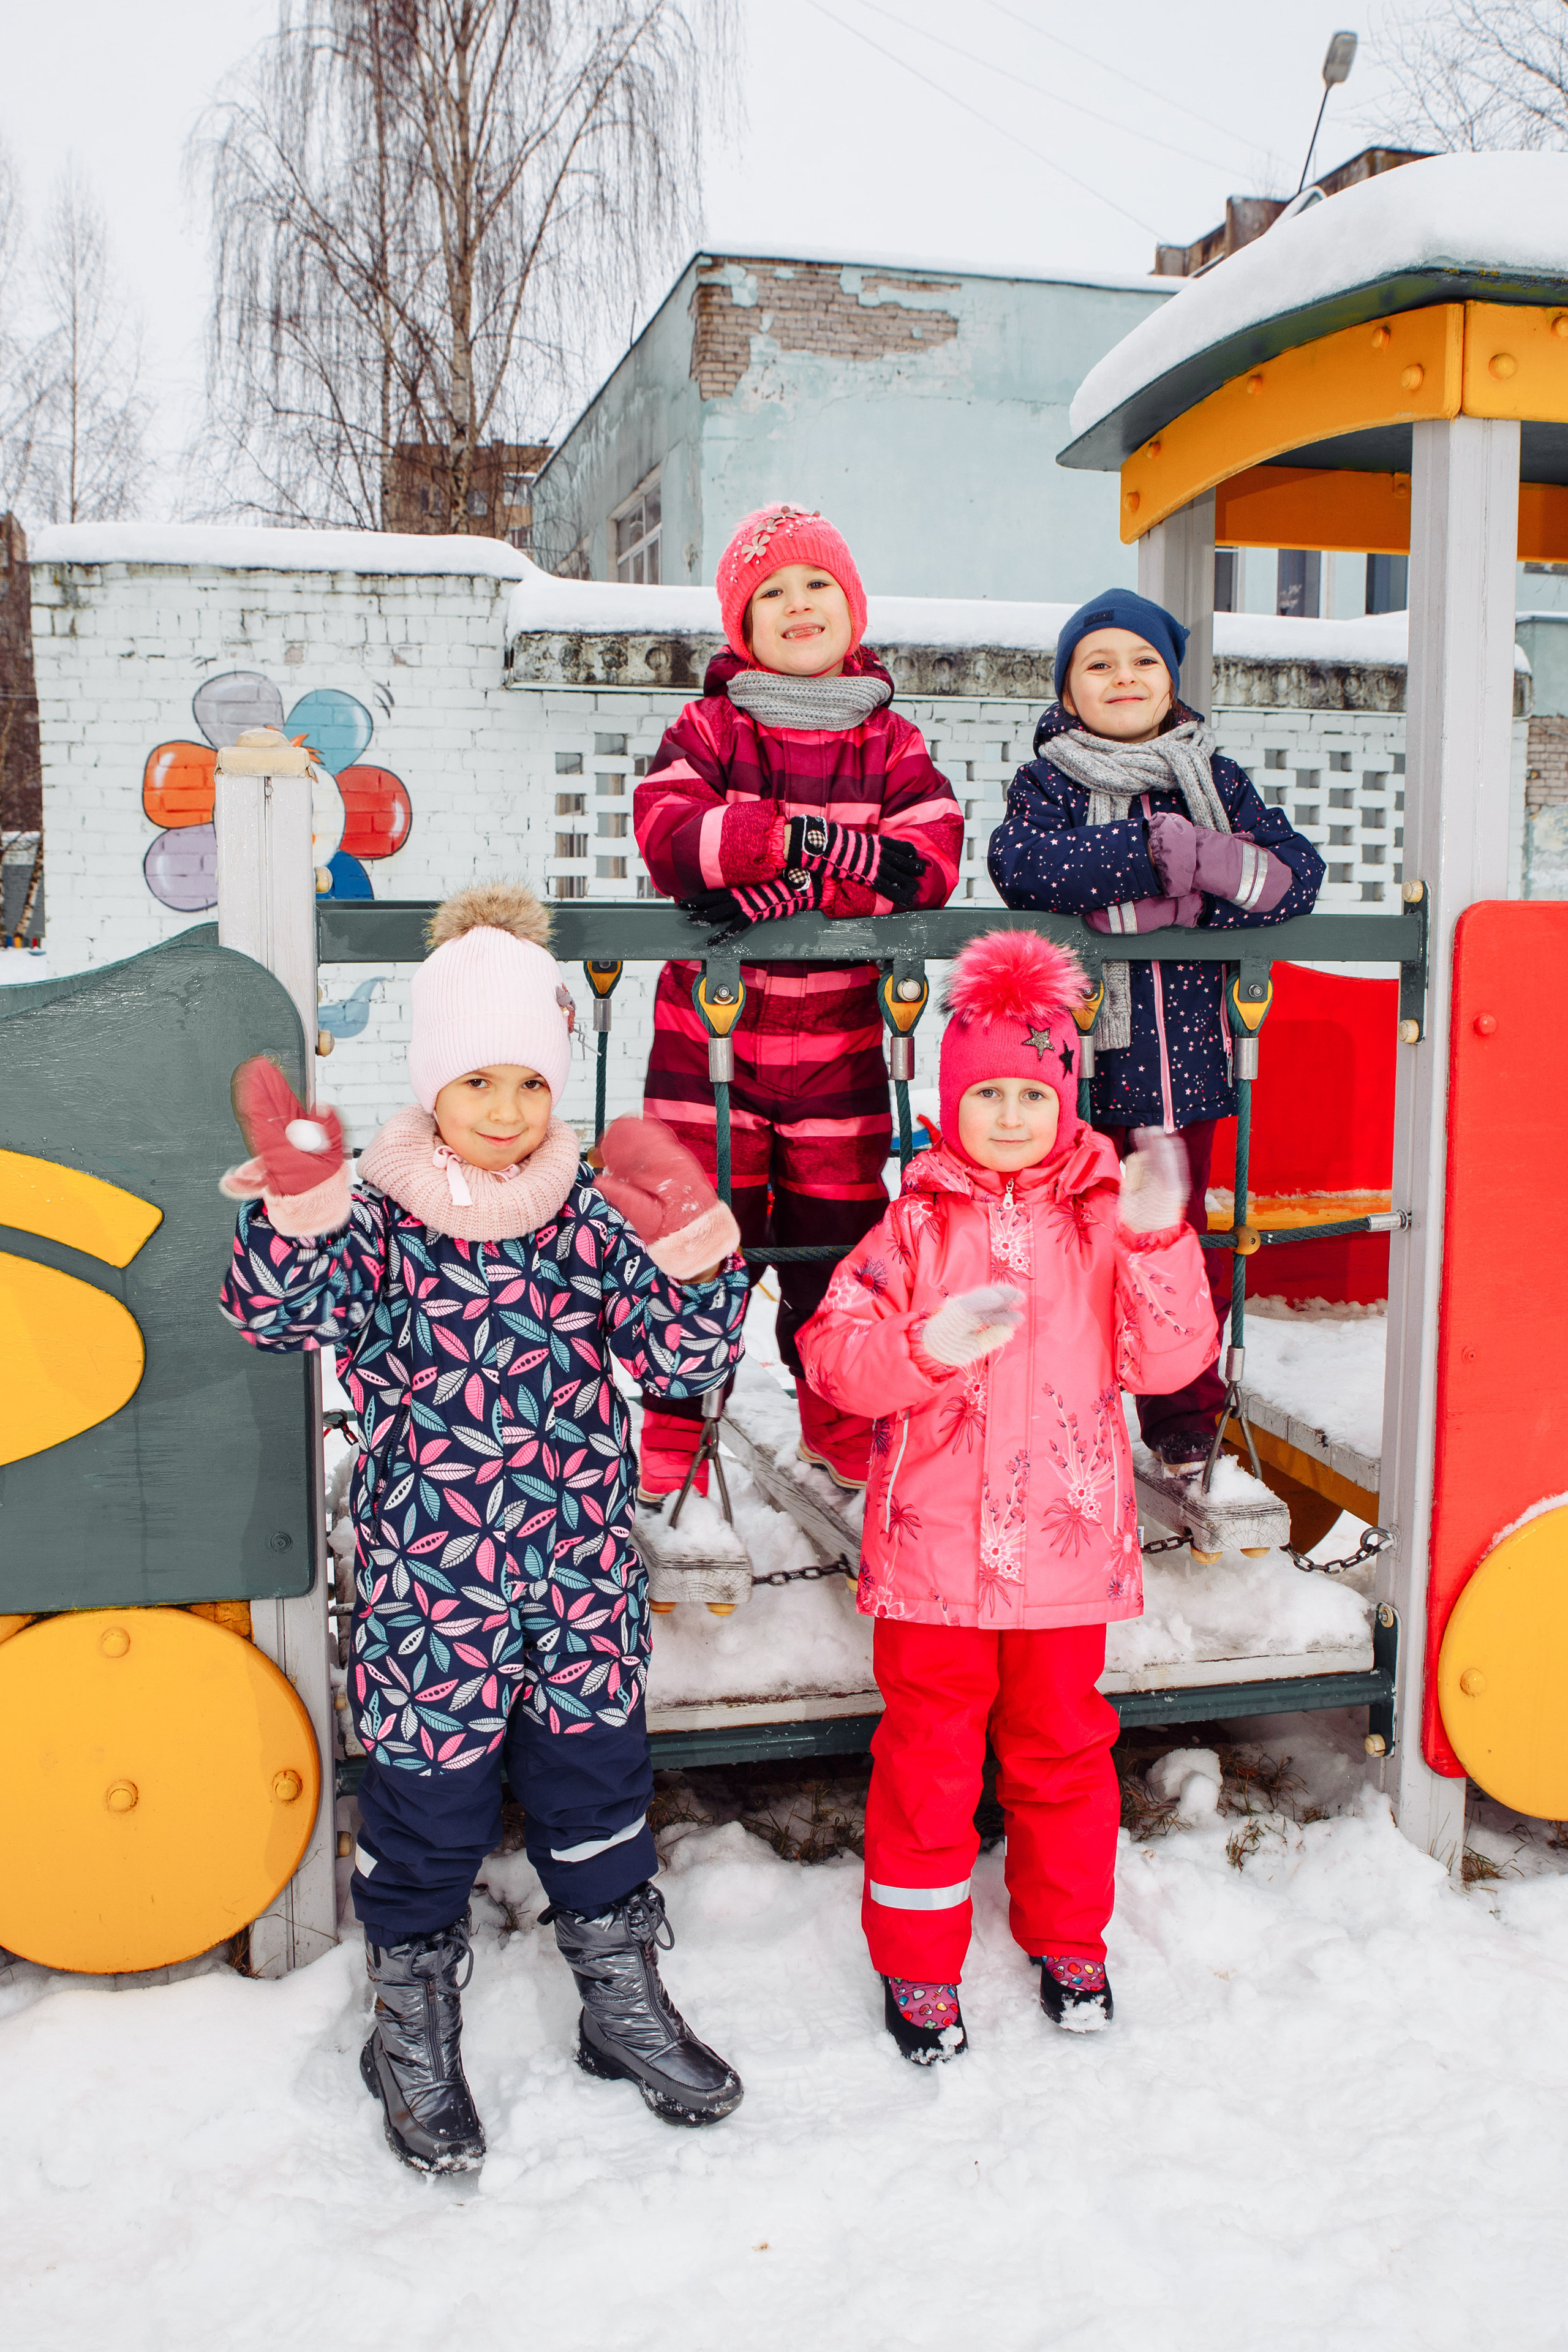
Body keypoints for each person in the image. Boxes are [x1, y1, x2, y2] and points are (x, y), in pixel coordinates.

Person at [217, 881, 749, 2171]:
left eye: (526, 1082)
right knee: (428, 1812)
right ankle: (408, 2019)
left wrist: (690, 1248)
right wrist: (292, 1210)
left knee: (598, 1790)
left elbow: (683, 1359)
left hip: (573, 1574)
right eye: (476, 1084)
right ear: (430, 1087)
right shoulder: (382, 1216)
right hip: (428, 1585)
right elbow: (271, 1317)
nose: (505, 1112)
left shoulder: (584, 1211)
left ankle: (618, 1998)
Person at [798, 929, 1218, 2062]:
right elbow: (834, 1356)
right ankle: (921, 1963)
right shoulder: (915, 1224)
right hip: (934, 1559)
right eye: (987, 1091)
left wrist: (1161, 1236)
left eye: (1034, 1091)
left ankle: (1069, 1935)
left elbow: (1173, 1360)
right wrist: (923, 1346)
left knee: (1064, 1752)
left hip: (1064, 1557)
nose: (1012, 1113)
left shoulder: (1103, 1218)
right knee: (929, 1762)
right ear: (952, 1099)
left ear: (1067, 1095)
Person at [633, 502, 962, 1499]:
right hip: (708, 1050)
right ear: (743, 626)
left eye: (817, 584)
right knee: (695, 1242)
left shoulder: (892, 742)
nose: (797, 604)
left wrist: (789, 880)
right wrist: (800, 847)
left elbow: (931, 860)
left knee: (840, 1246)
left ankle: (836, 1404)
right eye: (770, 592)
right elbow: (673, 838)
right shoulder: (706, 727)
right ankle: (677, 1421)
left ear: (851, 607)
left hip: (842, 1052)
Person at [987, 589, 1324, 1472]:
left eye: (1143, 661)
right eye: (1098, 663)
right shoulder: (1050, 780)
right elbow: (1024, 868)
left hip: (1188, 1079)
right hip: (1081, 1075)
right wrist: (1153, 860)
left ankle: (1183, 1410)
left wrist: (1189, 876)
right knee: (1072, 1251)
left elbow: (1291, 880)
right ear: (1068, 692)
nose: (1123, 677)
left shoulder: (1216, 780)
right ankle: (1070, 1405)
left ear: (1172, 682)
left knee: (1174, 1249)